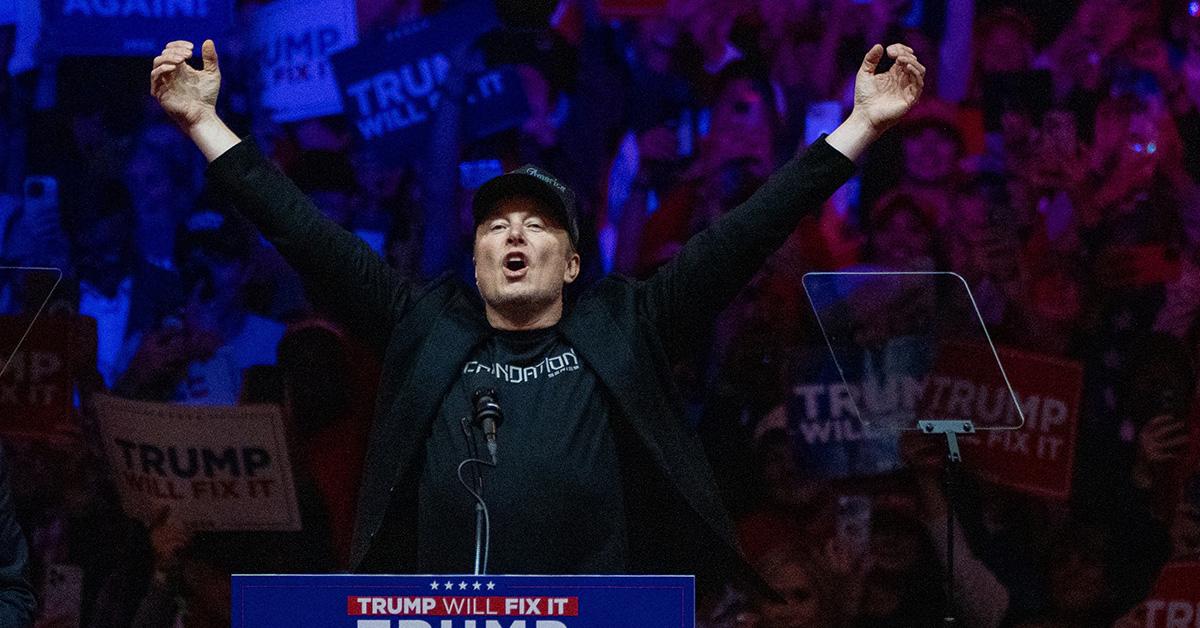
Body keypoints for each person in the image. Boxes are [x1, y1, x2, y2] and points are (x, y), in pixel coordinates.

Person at [148, 37, 924, 593]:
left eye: (537, 224)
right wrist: (203, 124)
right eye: (494, 225)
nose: (514, 233)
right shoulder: (424, 324)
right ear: (475, 258)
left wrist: (860, 127)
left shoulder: (628, 324)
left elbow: (749, 231)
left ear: (575, 263)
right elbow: (302, 231)